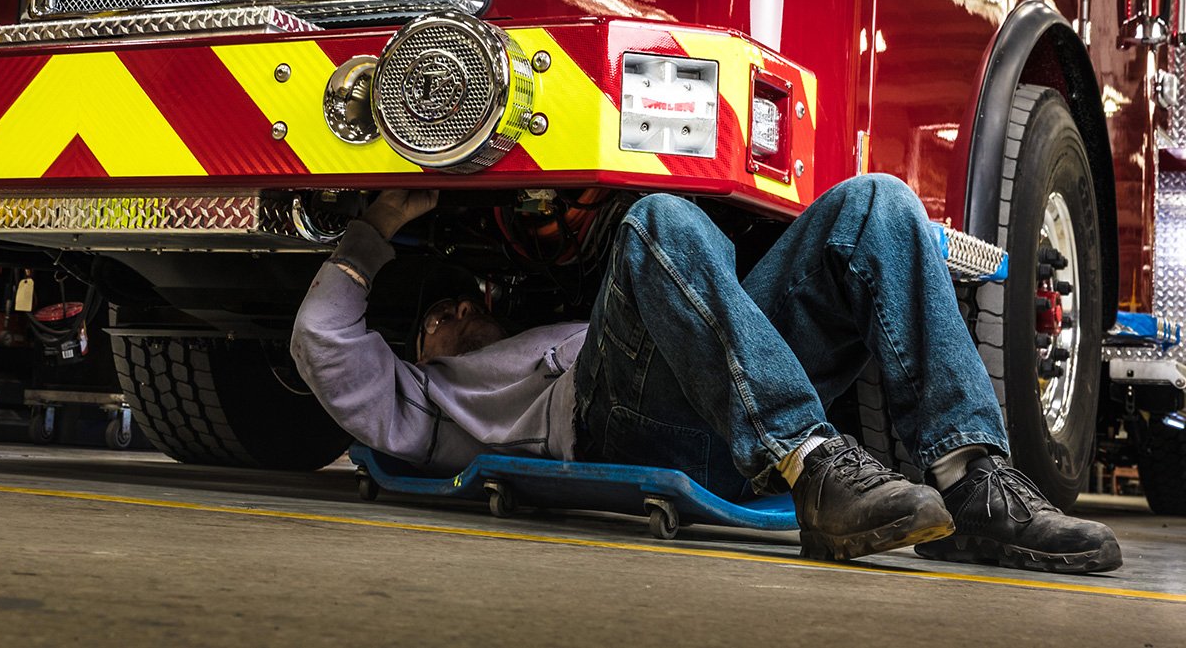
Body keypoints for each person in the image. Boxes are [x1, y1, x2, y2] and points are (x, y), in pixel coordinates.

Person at [290, 174, 1121, 574]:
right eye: (427, 329)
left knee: (878, 203)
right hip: (618, 417)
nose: (445, 320)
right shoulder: (426, 407)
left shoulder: (548, 318)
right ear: (415, 363)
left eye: (454, 306)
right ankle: (815, 464)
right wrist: (379, 222)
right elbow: (322, 340)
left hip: (724, 389)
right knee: (657, 222)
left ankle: (972, 478)